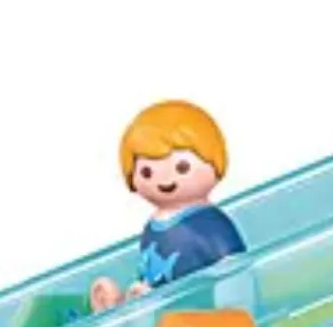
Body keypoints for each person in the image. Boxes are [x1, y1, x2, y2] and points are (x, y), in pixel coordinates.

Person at [89, 99, 245, 311]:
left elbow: (234, 267)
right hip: (162, 302)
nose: (165, 180)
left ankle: (137, 309)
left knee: (152, 301)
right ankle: (121, 307)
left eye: (182, 168)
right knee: (143, 292)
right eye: (147, 172)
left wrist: (233, 308)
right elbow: (147, 268)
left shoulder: (210, 223)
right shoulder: (153, 227)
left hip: (200, 311)